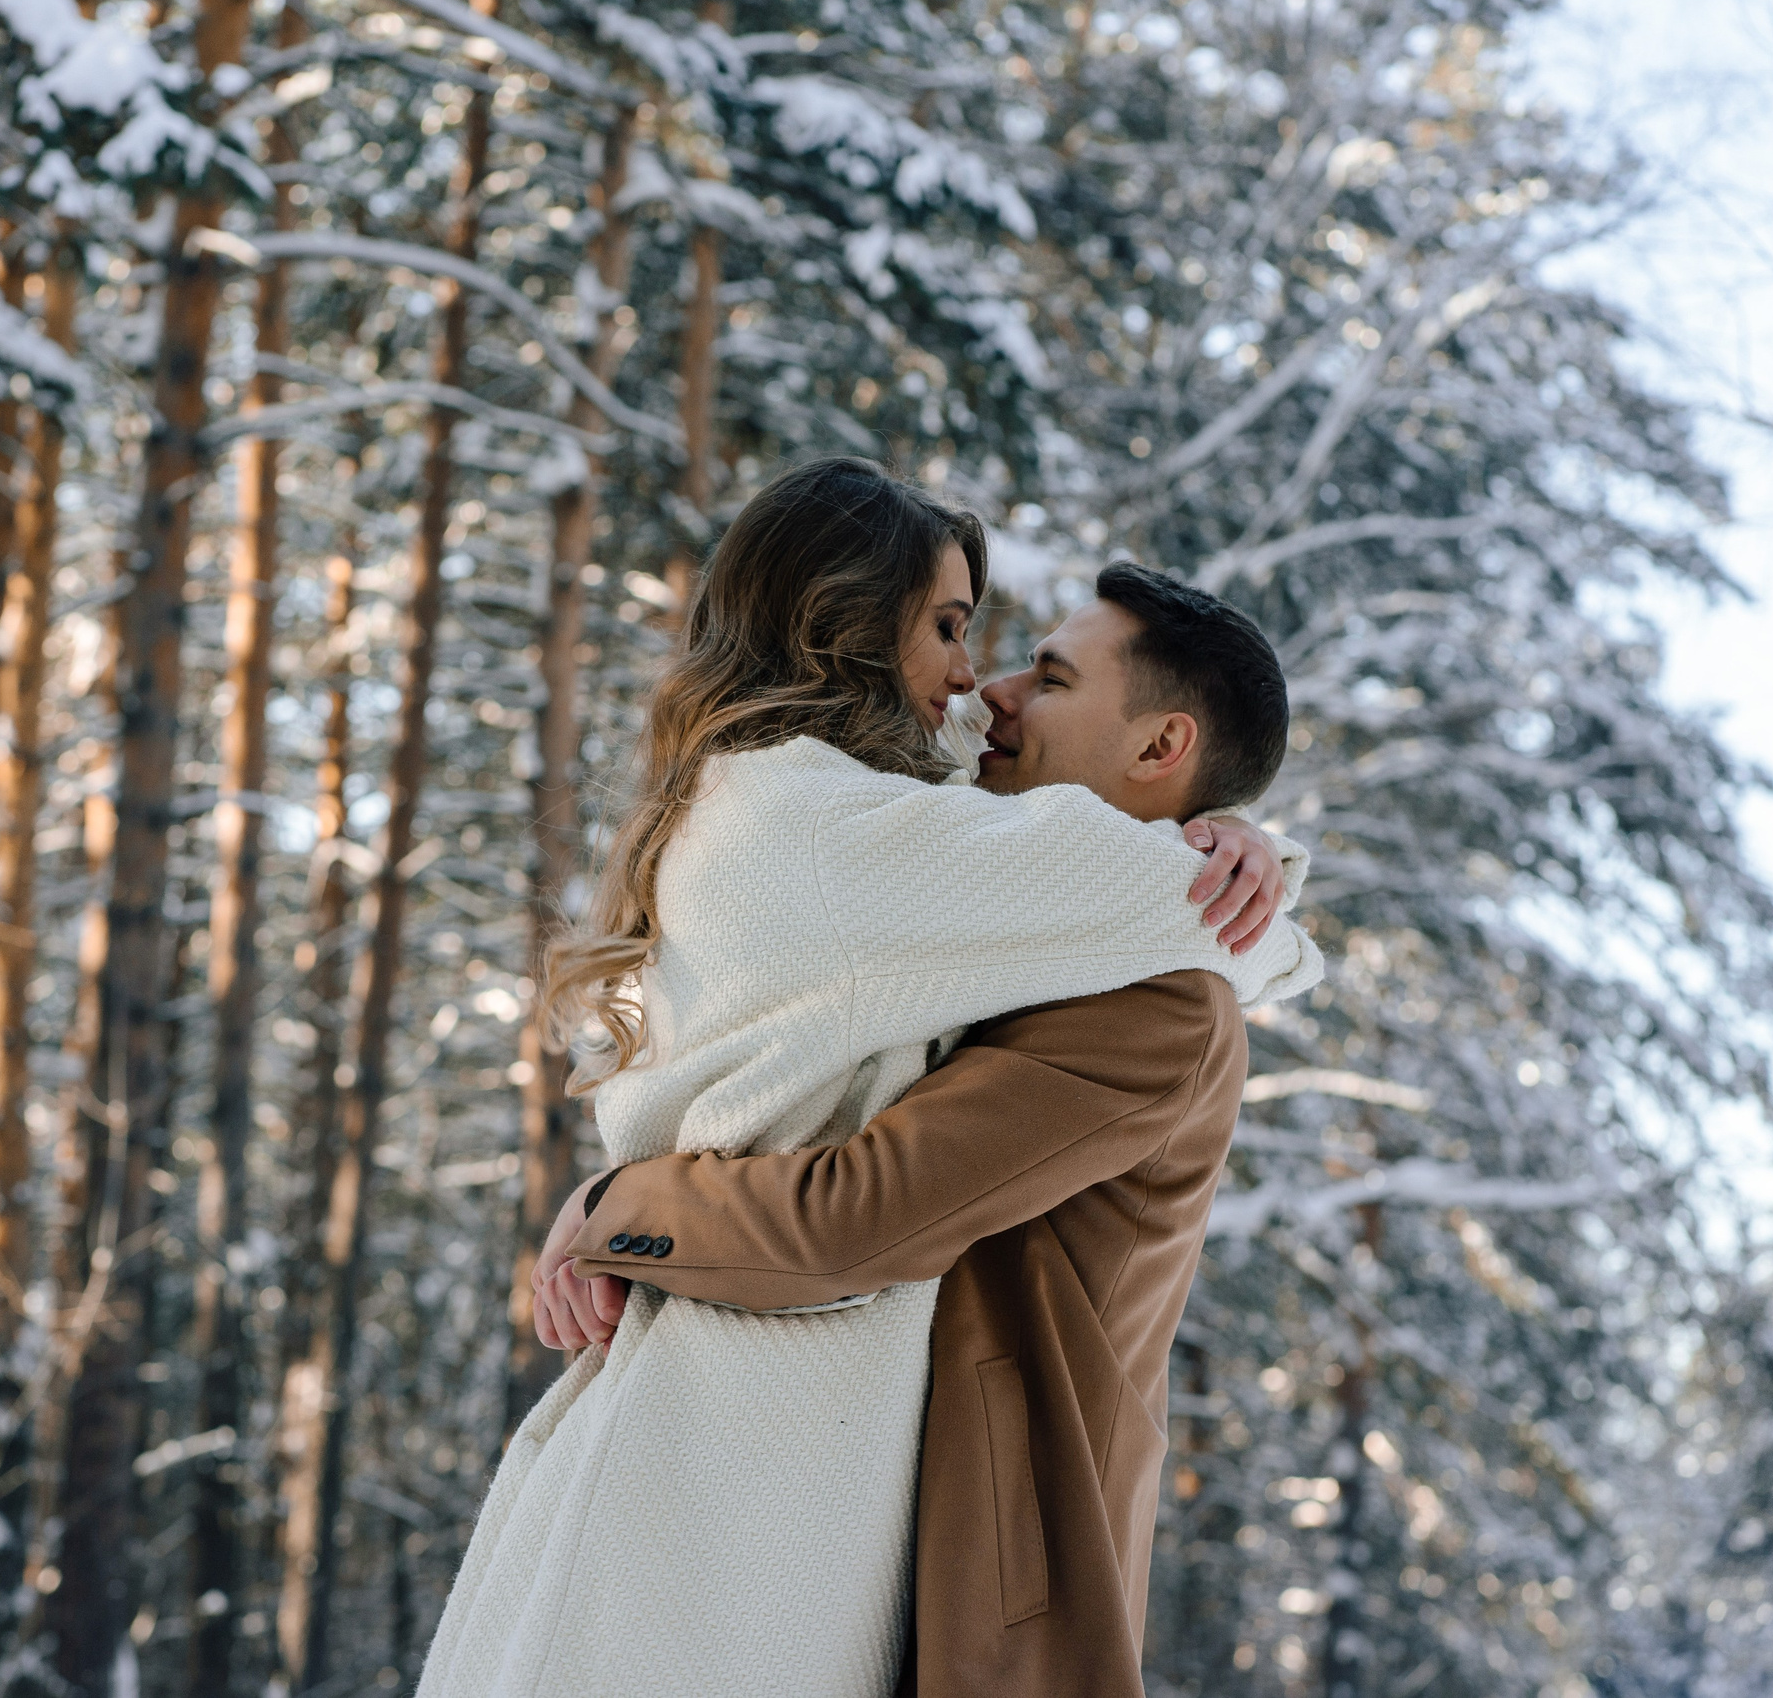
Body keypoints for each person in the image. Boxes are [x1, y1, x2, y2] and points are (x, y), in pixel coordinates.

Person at [415, 461, 1320, 1698]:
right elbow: (1185, 909)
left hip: (781, 1455)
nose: (983, 690)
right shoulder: (859, 843)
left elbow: (851, 1212)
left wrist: (617, 1208)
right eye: (955, 633)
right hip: (740, 1451)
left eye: (1042, 675)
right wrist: (1241, 871)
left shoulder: (1133, 990)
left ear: (1162, 743)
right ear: (846, 626)